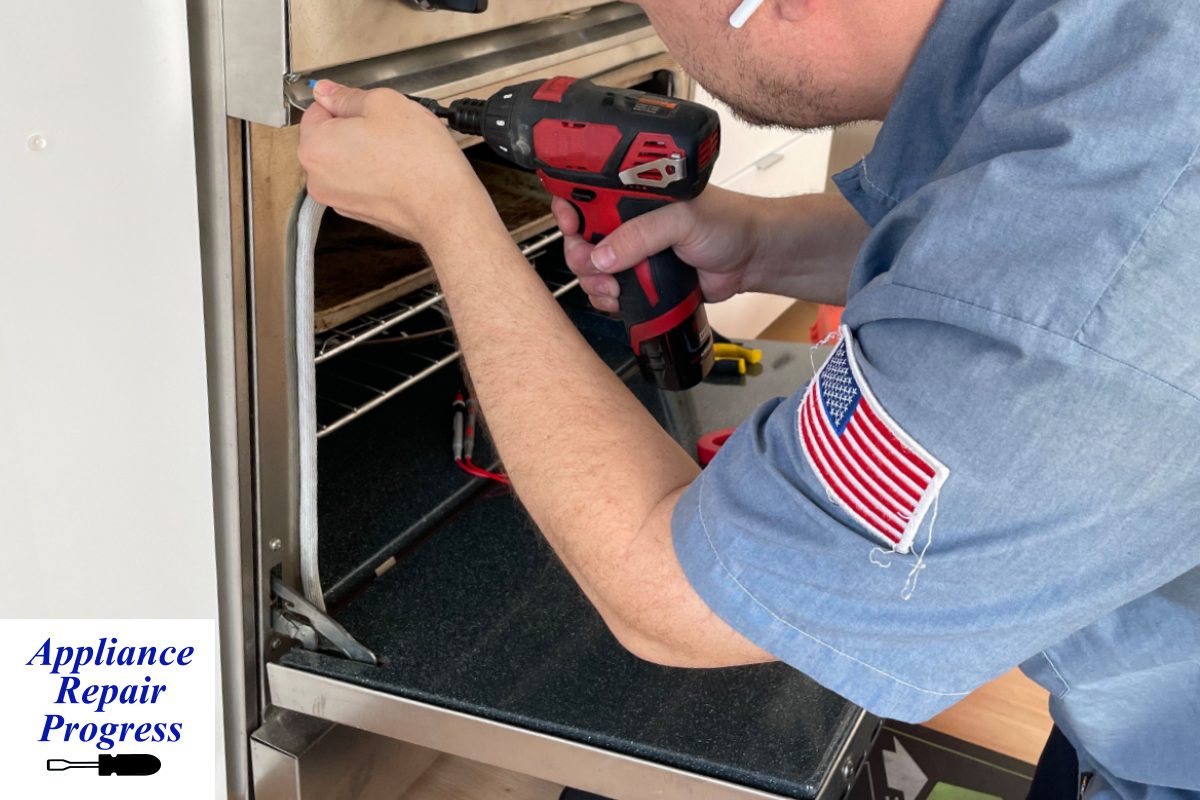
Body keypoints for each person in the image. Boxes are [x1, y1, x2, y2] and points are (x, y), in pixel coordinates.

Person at [296, 0, 1200, 797]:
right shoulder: (1093, 41)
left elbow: (668, 599)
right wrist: (761, 241)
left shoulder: (1076, 301)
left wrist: (448, 220)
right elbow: (988, 226)